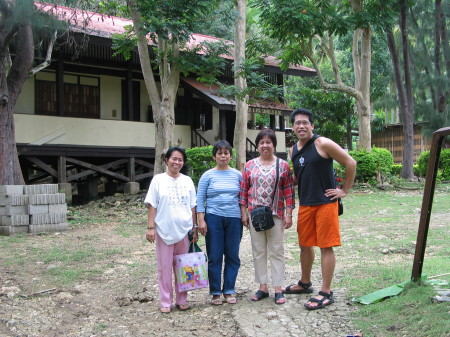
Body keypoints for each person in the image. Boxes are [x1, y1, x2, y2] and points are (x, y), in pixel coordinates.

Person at [284, 107, 356, 310]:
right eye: (297, 123)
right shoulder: (293, 150)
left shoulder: (322, 143)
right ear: (293, 127)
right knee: (305, 245)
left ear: (312, 126)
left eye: (305, 122)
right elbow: (300, 175)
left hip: (325, 203)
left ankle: (326, 292)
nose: (301, 126)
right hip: (306, 204)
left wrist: (344, 190)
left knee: (326, 246)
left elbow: (350, 163)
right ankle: (304, 283)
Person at [239, 129, 295, 305]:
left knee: (277, 251)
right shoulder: (249, 166)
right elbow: (242, 192)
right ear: (257, 145)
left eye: (268, 142)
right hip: (255, 214)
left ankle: (278, 288)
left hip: (276, 214)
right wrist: (243, 214)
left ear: (274, 145)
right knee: (258, 251)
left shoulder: (283, 165)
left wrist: (288, 214)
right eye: (261, 142)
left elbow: (289, 192)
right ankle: (263, 287)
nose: (265, 145)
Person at [144, 146, 198, 314]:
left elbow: (193, 206)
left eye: (180, 160)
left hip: (184, 230)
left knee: (184, 267)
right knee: (164, 268)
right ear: (167, 160)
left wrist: (194, 228)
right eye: (174, 159)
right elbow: (152, 204)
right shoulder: (158, 180)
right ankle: (165, 301)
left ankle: (182, 300)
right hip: (164, 231)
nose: (177, 162)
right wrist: (151, 227)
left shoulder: (187, 181)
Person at [197, 140, 243, 305]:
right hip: (213, 218)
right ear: (214, 156)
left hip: (234, 219)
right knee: (215, 255)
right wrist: (201, 220)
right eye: (219, 153)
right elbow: (200, 199)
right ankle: (216, 291)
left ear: (230, 155)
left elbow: (242, 198)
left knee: (232, 255)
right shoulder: (207, 175)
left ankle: (229, 290)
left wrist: (244, 216)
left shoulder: (238, 174)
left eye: (226, 153)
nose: (223, 156)